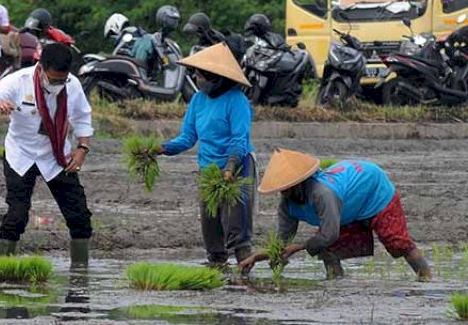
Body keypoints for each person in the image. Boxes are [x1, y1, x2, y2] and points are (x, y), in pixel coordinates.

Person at [0, 43, 94, 268]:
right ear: (41, 69)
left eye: (62, 80)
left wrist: (82, 149)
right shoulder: (18, 81)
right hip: (21, 153)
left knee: (79, 216)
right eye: (54, 80)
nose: (58, 84)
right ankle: (3, 268)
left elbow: (82, 118)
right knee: (17, 216)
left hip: (56, 155)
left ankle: (80, 276)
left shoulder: (73, 85)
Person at [238, 148, 431, 281]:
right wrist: (257, 257)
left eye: (287, 188)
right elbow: (282, 241)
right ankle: (335, 282)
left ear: (299, 183)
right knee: (326, 247)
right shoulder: (288, 205)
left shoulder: (322, 193)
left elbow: (329, 234)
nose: (284, 193)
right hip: (348, 205)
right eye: (281, 189)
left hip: (373, 189)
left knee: (397, 241)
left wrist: (298, 247)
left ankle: (425, 279)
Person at [156, 42, 257, 273]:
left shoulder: (237, 101)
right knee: (211, 223)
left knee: (235, 225)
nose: (196, 78)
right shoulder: (198, 100)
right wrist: (160, 149)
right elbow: (188, 137)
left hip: (237, 166)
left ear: (215, 77)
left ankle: (245, 272)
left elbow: (239, 140)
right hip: (209, 171)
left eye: (199, 75)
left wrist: (230, 167)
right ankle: (216, 267)